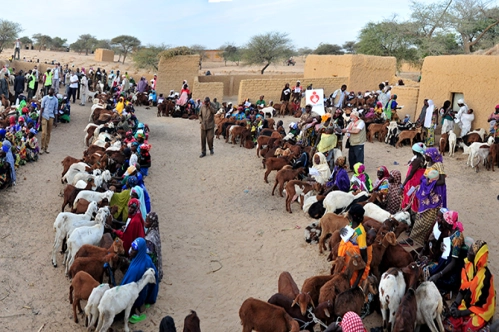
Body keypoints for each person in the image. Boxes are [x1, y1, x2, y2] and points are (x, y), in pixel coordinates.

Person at [446, 240, 495, 332]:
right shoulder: (468, 266)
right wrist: (455, 304)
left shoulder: (485, 277)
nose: (468, 251)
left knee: (469, 328)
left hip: (481, 310)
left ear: (478, 257)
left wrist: (461, 313)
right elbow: (463, 288)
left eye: (471, 251)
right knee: (449, 323)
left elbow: (481, 304)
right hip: (467, 303)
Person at [406, 147, 447, 247]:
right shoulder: (429, 164)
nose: (425, 157)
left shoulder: (438, 165)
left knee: (428, 219)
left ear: (431, 156)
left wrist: (429, 182)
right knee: (421, 216)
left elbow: (442, 181)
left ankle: (422, 240)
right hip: (427, 194)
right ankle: (414, 238)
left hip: (434, 197)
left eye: (427, 156)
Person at [121, 238, 159, 324]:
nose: (131, 251)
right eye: (132, 247)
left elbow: (127, 284)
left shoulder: (136, 268)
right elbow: (155, 273)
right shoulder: (146, 259)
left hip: (139, 292)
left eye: (134, 249)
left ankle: (135, 312)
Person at [427, 210, 466, 294]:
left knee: (433, 280)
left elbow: (453, 262)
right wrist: (442, 246)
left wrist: (439, 274)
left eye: (444, 219)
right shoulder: (450, 231)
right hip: (445, 263)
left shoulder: (457, 238)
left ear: (448, 223)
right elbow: (447, 251)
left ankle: (449, 291)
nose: (442, 221)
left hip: (452, 271)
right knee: (428, 271)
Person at [338, 204, 370, 288]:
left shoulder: (360, 233)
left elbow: (364, 258)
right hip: (345, 266)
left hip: (353, 271)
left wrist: (357, 281)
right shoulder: (350, 225)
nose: (347, 215)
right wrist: (341, 231)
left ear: (354, 216)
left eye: (349, 214)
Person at [400, 143, 426, 214]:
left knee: (410, 195)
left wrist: (403, 185)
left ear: (415, 151)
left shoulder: (417, 160)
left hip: (414, 181)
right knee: (412, 195)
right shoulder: (421, 158)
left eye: (413, 150)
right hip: (418, 179)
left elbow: (411, 174)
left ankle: (409, 210)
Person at [39, 88, 58, 154]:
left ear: (53, 93)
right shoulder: (44, 98)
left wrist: (55, 121)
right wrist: (39, 118)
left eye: (51, 93)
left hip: (51, 117)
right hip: (44, 116)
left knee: (49, 133)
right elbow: (42, 108)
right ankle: (42, 147)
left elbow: (55, 110)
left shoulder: (55, 100)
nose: (50, 94)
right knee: (44, 133)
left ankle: (46, 147)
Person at [144, 212, 163, 282]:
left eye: (147, 221)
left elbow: (149, 255)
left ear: (152, 223)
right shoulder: (154, 231)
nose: (144, 222)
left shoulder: (150, 239)